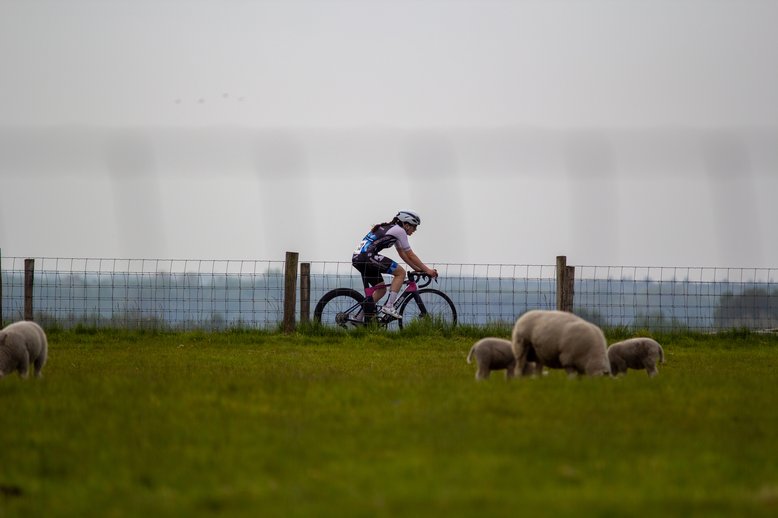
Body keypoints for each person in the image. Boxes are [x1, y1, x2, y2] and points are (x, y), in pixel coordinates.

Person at [352, 210, 439, 320]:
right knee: (400, 273)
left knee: (381, 290)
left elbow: (402, 254)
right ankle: (388, 306)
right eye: (415, 227)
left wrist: (417, 269)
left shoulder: (393, 230)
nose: (415, 230)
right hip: (368, 257)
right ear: (407, 225)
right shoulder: (400, 231)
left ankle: (358, 318)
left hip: (358, 258)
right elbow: (411, 255)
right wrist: (427, 270)